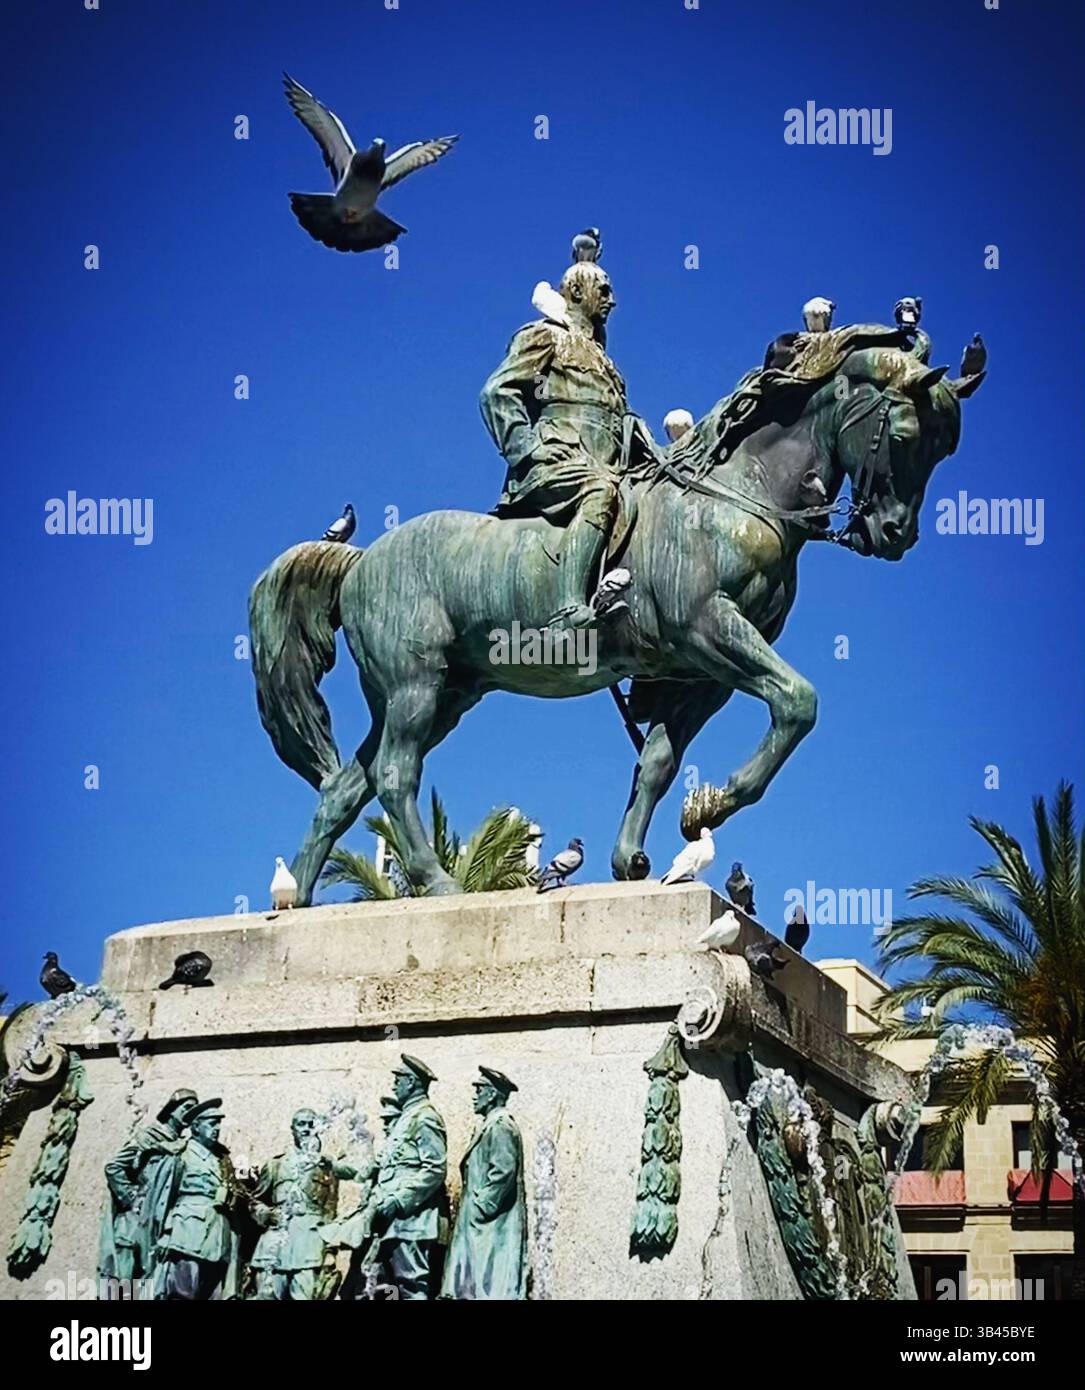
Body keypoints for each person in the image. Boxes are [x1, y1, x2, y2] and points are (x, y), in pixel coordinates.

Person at [481, 258, 648, 629]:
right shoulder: (545, 335)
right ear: (576, 292)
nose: (612, 300)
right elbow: (497, 392)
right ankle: (567, 607)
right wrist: (526, 448)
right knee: (600, 493)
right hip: (554, 466)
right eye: (603, 291)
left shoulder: (607, 363)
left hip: (610, 466)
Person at [248, 1107, 369, 1300]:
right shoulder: (276, 1165)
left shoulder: (325, 1165)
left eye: (311, 1124)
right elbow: (254, 1201)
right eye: (301, 1124)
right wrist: (264, 1213)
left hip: (310, 1246)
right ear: (292, 1129)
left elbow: (332, 1207)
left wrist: (329, 1249)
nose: (306, 1129)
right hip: (275, 1244)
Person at [98, 1088, 198, 1297]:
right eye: (186, 1108)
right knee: (122, 1278)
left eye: (193, 1110)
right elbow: (114, 1167)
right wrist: (131, 1197)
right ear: (172, 1110)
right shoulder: (149, 1136)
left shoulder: (187, 1147)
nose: (189, 1114)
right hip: (135, 1219)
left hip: (159, 1220)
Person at [441, 1067, 527, 1300]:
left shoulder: (501, 1126)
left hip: (488, 1224)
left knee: (488, 1283)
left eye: (479, 1090)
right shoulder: (489, 1124)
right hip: (477, 1223)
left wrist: (481, 1207)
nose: (474, 1095)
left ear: (492, 1094)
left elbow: (503, 1172)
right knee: (472, 1284)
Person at [155, 1097, 242, 1300]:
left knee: (213, 1294)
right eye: (212, 1124)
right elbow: (162, 1198)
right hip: (187, 1236)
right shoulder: (180, 1154)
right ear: (195, 1126)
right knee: (183, 1293)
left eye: (218, 1124)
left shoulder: (221, 1159)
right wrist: (162, 1236)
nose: (217, 1129)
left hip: (218, 1238)